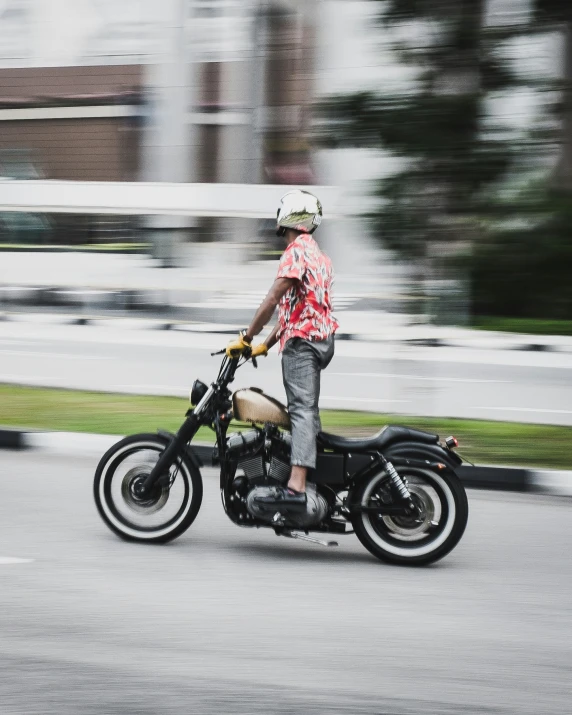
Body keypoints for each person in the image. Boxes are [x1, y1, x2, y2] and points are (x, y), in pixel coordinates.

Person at [226, 190, 338, 509]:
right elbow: (295, 311)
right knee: (308, 410)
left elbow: (273, 300)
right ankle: (307, 471)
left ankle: (297, 485)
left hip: (302, 344)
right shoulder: (319, 256)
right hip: (320, 340)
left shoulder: (295, 252)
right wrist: (265, 345)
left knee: (300, 409)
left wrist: (246, 338)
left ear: (287, 216)